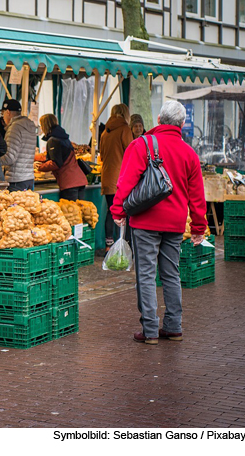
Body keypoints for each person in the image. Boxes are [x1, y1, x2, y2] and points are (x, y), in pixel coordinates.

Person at [111, 100, 207, 344]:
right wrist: (198, 227)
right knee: (171, 274)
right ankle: (174, 327)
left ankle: (150, 330)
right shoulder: (190, 154)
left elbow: (126, 182)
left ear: (159, 120)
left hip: (145, 221)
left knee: (145, 274)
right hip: (175, 223)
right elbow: (197, 196)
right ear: (183, 124)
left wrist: (118, 210)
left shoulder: (141, 145)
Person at [100, 103, 133, 250]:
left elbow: (101, 154)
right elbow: (132, 152)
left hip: (107, 176)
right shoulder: (125, 129)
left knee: (111, 210)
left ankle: (109, 244)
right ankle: (124, 245)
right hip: (121, 178)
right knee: (125, 212)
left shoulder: (104, 132)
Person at [36, 114, 87, 201]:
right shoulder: (64, 138)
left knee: (70, 212)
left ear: (45, 125)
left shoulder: (53, 140)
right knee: (79, 211)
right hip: (79, 180)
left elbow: (56, 163)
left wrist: (39, 167)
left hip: (69, 182)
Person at [0, 99, 37, 191]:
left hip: (16, 180)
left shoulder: (14, 128)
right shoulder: (30, 126)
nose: (2, 117)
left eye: (2, 114)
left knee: (15, 205)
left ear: (8, 112)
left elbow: (9, 158)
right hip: (29, 178)